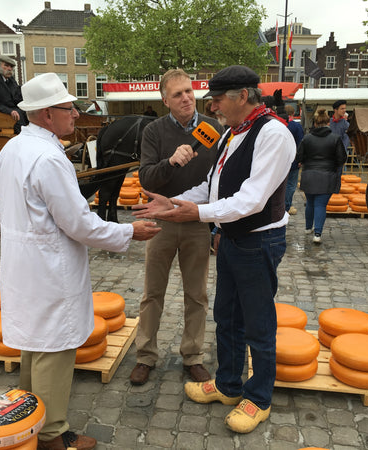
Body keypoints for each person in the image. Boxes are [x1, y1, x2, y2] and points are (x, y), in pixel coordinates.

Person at [0, 73, 160, 450]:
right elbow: (79, 223)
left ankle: (27, 416)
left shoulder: (11, 150)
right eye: (68, 107)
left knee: (33, 343)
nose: (75, 113)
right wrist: (129, 232)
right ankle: (52, 434)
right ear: (47, 115)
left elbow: (6, 208)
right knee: (53, 347)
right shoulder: (48, 158)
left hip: (23, 261)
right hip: (50, 266)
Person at [133, 65, 295, 434]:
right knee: (227, 316)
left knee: (257, 323)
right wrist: (172, 205)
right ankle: (228, 385)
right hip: (233, 238)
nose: (213, 106)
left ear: (242, 96)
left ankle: (258, 398)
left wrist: (198, 213)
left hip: (259, 239)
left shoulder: (273, 134)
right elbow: (211, 185)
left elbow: (252, 200)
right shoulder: (232, 134)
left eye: (218, 99)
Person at [130, 69, 224, 386]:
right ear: (164, 100)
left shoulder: (214, 129)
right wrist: (170, 162)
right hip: (161, 223)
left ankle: (193, 356)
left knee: (196, 294)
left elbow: (220, 182)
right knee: (152, 293)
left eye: (188, 91)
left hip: (197, 222)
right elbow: (146, 179)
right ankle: (145, 355)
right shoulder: (154, 132)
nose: (186, 98)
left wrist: (217, 221)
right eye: (177, 94)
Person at [296, 107, 347, 244]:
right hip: (327, 175)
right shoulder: (335, 139)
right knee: (320, 205)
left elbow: (299, 157)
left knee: (310, 203)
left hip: (309, 174)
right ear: (328, 123)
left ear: (315, 124)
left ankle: (308, 228)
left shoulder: (307, 139)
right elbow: (342, 158)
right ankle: (317, 233)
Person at [284, 104, 304, 215]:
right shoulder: (296, 127)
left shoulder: (280, 124)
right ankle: (286, 206)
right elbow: (301, 144)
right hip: (293, 160)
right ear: (293, 113)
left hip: (280, 161)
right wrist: (300, 159)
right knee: (291, 185)